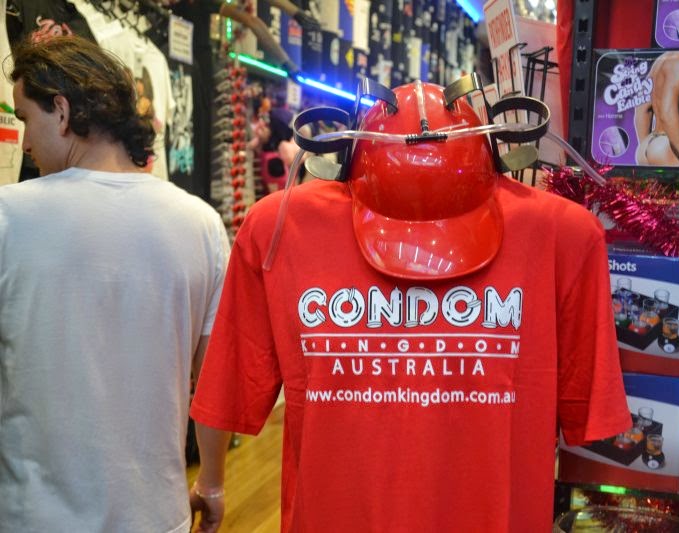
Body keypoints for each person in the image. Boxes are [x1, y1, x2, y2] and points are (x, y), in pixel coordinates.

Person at [189, 81, 630, 532]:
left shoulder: (566, 241)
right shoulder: (276, 232)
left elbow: (589, 417)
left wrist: (211, 482)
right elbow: (232, 392)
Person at [0, 35, 229, 532]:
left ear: (61, 111)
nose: (25, 141)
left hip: (31, 517)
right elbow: (214, 381)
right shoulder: (201, 223)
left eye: (25, 118)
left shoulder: (8, 216)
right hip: (155, 514)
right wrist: (211, 482)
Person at [635, 51, 679, 166]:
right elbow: (667, 112)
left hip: (652, 144)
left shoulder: (660, 61)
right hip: (670, 147)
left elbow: (642, 108)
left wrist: (647, 146)